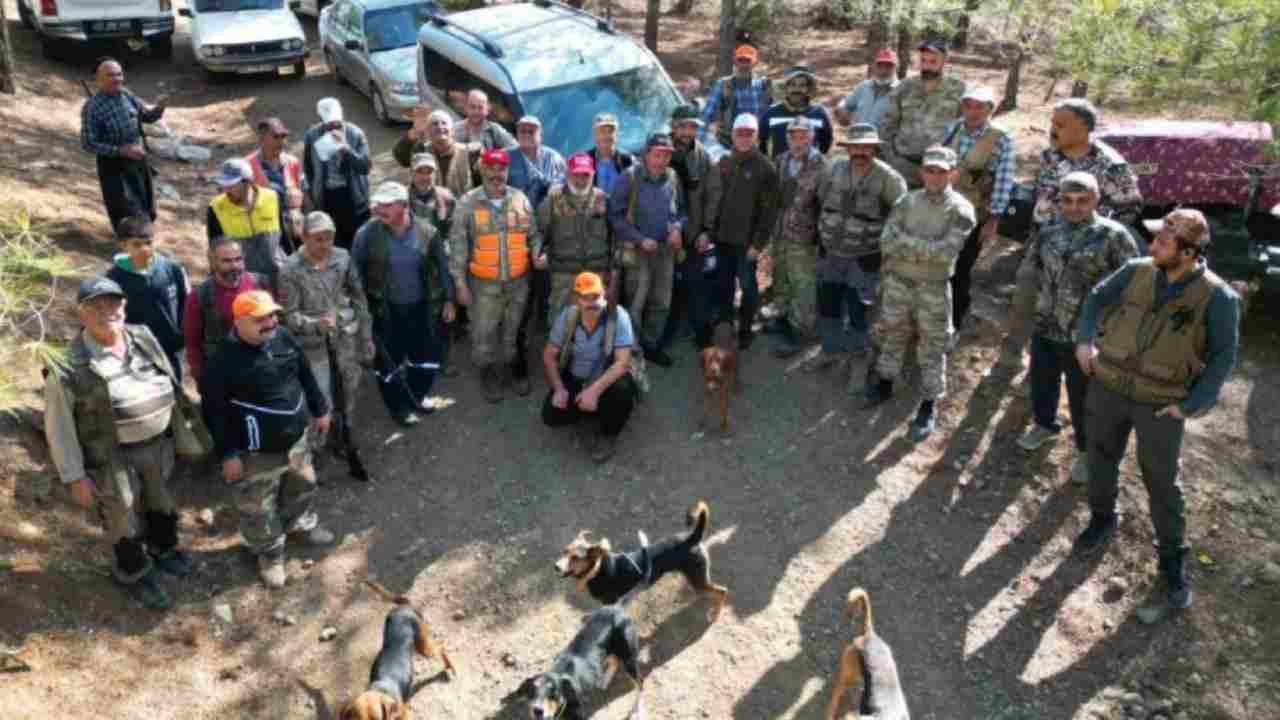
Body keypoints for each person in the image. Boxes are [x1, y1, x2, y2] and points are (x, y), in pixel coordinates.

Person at [1074, 209, 1240, 622]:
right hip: (1109, 384)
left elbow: (1222, 359)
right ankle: (1101, 518)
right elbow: (1096, 298)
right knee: (1099, 458)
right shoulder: (1136, 270)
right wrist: (1084, 342)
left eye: (1163, 243)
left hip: (1161, 403)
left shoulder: (1218, 297)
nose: (1153, 248)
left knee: (1162, 483)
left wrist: (1190, 405)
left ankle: (1171, 563)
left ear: (1187, 252)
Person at [44, 277, 201, 609]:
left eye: (113, 304)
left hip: (159, 444)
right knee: (121, 516)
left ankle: (164, 550)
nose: (108, 312)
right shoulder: (69, 363)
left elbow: (169, 376)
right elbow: (59, 425)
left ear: (124, 306)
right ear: (80, 313)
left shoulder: (142, 336)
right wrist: (74, 475)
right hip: (110, 458)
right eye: (96, 307)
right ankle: (134, 572)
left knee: (162, 502)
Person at [202, 290, 335, 589]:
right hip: (254, 453)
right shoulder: (222, 360)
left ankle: (298, 526)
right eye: (261, 319)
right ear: (240, 322)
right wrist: (228, 454)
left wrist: (320, 408)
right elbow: (214, 412)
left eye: (273, 315)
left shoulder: (284, 338)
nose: (271, 322)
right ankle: (270, 554)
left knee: (303, 484)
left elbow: (304, 373)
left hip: (296, 441)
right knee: (258, 508)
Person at [1014, 173, 1138, 483]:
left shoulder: (1114, 236)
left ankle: (1086, 452)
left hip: (1085, 336)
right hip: (1046, 325)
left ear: (1096, 200)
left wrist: (1111, 332)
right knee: (1042, 382)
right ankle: (1045, 425)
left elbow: (1132, 287)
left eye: (1083, 201)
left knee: (1085, 398)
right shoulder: (1049, 232)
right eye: (1068, 201)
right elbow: (1034, 273)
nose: (1074, 207)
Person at [864, 146, 976, 441]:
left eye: (942, 171)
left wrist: (908, 243)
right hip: (898, 282)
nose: (935, 176)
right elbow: (887, 241)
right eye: (930, 170)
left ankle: (928, 404)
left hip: (933, 288)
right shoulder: (906, 201)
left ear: (953, 173)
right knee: (893, 334)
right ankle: (885, 383)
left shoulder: (961, 210)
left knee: (933, 345)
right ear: (921, 172)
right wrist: (923, 246)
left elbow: (945, 253)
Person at [278, 211, 374, 481]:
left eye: (329, 238)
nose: (325, 245)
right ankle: (316, 452)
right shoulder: (290, 270)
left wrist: (366, 336)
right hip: (312, 346)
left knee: (349, 389)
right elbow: (288, 315)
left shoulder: (342, 257)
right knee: (321, 399)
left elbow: (358, 297)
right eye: (318, 239)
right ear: (304, 237)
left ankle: (343, 439)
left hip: (345, 339)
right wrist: (315, 324)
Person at [354, 182, 456, 425]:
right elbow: (354, 275)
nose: (380, 210)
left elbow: (442, 268)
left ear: (404, 206)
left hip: (422, 308)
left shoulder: (428, 232)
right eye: (378, 205)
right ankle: (398, 407)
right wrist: (361, 311)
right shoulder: (366, 234)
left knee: (423, 357)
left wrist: (449, 300)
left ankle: (418, 396)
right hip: (385, 311)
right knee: (389, 363)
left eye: (387, 205)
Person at [813, 124, 908, 374]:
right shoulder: (833, 169)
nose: (861, 152)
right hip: (831, 252)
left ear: (874, 148)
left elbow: (901, 217)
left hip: (865, 257)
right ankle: (830, 351)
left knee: (859, 309)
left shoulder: (889, 178)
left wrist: (887, 252)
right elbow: (822, 200)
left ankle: (858, 358)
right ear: (848, 148)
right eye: (856, 146)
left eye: (866, 147)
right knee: (828, 304)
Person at [451, 150, 544, 402]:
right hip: (483, 286)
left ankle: (511, 366)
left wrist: (537, 253)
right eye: (490, 168)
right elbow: (458, 247)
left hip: (518, 282)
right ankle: (487, 371)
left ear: (507, 171)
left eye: (500, 169)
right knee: (483, 333)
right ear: (481, 169)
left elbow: (533, 235)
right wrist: (459, 284)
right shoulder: (467, 203)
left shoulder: (520, 198)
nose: (496, 174)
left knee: (512, 330)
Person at [940, 85, 1017, 332]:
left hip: (973, 216)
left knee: (961, 270)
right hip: (941, 209)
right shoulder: (952, 129)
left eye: (979, 106)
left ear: (990, 110)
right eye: (968, 105)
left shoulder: (1000, 139)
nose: (972, 111)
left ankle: (955, 324)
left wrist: (993, 220)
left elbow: (1004, 182)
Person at [542, 272, 639, 464]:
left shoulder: (618, 316)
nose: (591, 302)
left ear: (605, 295)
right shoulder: (568, 316)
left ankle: (609, 434)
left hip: (606, 380)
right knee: (551, 416)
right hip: (575, 377)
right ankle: (588, 412)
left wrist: (594, 391)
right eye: (585, 297)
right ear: (576, 299)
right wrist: (559, 388)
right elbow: (548, 354)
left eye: (596, 296)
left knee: (623, 390)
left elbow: (623, 362)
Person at [609, 132, 684, 369]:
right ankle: (632, 350)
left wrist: (678, 228)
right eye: (658, 154)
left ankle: (651, 345)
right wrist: (639, 239)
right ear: (646, 154)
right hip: (638, 251)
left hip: (665, 251)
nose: (662, 160)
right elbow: (614, 216)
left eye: (666, 155)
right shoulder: (629, 177)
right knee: (636, 303)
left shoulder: (672, 177)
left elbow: (681, 211)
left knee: (661, 301)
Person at [705, 113, 779, 349]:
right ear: (733, 135)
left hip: (746, 243)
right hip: (723, 239)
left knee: (748, 287)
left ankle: (746, 329)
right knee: (723, 284)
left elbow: (769, 213)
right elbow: (715, 200)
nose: (745, 138)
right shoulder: (724, 162)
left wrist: (757, 245)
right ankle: (725, 325)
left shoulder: (766, 168)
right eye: (740, 133)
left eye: (750, 133)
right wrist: (710, 231)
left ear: (757, 136)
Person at [507, 114, 567, 388]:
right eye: (522, 129)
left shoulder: (554, 158)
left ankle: (551, 352)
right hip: (515, 239)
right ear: (516, 132)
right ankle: (517, 364)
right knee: (521, 299)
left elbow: (563, 193)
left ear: (541, 133)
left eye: (532, 129)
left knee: (549, 293)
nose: (527, 133)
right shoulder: (507, 158)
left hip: (548, 237)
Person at [80, 58, 164, 235]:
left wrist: (159, 108)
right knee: (125, 210)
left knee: (145, 203)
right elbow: (88, 143)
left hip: (137, 160)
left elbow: (147, 117)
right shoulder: (92, 107)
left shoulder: (126, 95)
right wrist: (121, 150)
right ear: (99, 79)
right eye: (110, 75)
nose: (117, 78)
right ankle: (130, 245)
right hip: (113, 167)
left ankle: (145, 241)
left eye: (119, 74)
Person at [768, 117, 828, 358]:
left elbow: (826, 204)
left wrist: (822, 238)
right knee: (781, 277)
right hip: (780, 232)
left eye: (804, 135)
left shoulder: (821, 165)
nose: (798, 140)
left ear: (812, 137)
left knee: (803, 284)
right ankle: (782, 318)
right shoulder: (781, 161)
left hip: (805, 236)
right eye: (794, 135)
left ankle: (801, 333)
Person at [662, 104, 718, 351]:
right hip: (662, 235)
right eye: (683, 125)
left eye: (692, 126)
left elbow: (713, 195)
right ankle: (664, 333)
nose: (687, 131)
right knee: (664, 285)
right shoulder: (658, 152)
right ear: (673, 126)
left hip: (693, 234)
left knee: (696, 283)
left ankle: (701, 333)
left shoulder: (703, 156)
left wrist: (707, 230)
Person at [106, 216, 189, 381]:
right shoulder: (113, 279)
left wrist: (183, 336)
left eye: (149, 243)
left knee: (174, 390)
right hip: (137, 351)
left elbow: (186, 303)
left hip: (170, 347)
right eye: (136, 244)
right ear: (123, 245)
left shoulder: (172, 269)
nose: (144, 249)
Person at [879, 39, 967, 188]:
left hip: (940, 169)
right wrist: (891, 158)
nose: (926, 66)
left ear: (945, 61)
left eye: (933, 61)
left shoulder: (959, 89)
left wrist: (956, 163)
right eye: (923, 60)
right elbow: (888, 125)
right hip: (903, 165)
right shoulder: (905, 87)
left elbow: (965, 127)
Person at [183, 237, 269, 385]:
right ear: (213, 262)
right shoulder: (200, 296)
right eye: (227, 261)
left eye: (238, 259)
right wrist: (201, 377)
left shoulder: (260, 283)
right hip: (222, 373)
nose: (234, 266)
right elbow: (192, 342)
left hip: (261, 366)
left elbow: (277, 324)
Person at [540, 152, 612, 326]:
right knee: (560, 321)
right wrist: (539, 253)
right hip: (564, 274)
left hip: (596, 273)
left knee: (595, 321)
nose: (580, 179)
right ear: (567, 174)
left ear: (593, 174)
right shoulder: (553, 200)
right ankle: (559, 352)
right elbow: (539, 232)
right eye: (575, 174)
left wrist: (613, 269)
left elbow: (615, 236)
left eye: (585, 175)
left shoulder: (604, 199)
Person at [409, 152, 459, 377]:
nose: (424, 176)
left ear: (435, 174)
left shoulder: (447, 199)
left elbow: (455, 231)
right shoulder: (400, 198)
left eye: (429, 171)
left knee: (443, 315)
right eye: (420, 171)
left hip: (439, 265)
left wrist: (447, 248)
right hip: (409, 265)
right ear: (412, 172)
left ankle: (445, 358)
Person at [206, 158, 287, 290]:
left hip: (277, 277)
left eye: (232, 185)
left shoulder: (272, 198)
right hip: (240, 283)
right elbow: (214, 252)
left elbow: (284, 240)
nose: (226, 190)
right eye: (223, 185)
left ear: (248, 182)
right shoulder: (216, 207)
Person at [302, 97, 371, 250]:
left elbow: (365, 166)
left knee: (359, 244)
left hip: (353, 197)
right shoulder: (312, 136)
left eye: (337, 122)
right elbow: (308, 169)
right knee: (334, 245)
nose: (334, 127)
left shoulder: (355, 134)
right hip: (327, 198)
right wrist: (311, 197)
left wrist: (346, 147)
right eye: (329, 124)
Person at [246, 117, 306, 254]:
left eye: (284, 136)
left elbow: (299, 194)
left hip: (293, 229)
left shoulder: (292, 162)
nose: (281, 141)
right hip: (265, 232)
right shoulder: (248, 165)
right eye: (276, 137)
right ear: (262, 138)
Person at [700, 44, 773, 149]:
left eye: (747, 60)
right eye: (740, 60)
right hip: (727, 145)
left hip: (758, 146)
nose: (743, 64)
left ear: (755, 62)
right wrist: (697, 145)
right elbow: (706, 116)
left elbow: (772, 116)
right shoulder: (723, 84)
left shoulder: (764, 86)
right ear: (735, 61)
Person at [394, 107, 474, 198]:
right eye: (435, 124)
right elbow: (401, 157)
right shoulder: (422, 151)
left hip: (462, 209)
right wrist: (415, 132)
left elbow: (479, 191)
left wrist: (481, 213)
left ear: (452, 131)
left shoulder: (468, 153)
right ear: (428, 132)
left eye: (444, 123)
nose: (440, 127)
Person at [759, 65, 835, 159]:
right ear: (785, 87)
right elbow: (761, 144)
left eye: (802, 85)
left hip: (811, 171)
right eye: (792, 84)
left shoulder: (819, 113)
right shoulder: (771, 112)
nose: (796, 89)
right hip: (780, 171)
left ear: (808, 88)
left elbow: (826, 144)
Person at [834, 48, 899, 129]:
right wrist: (841, 110)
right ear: (875, 66)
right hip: (858, 139)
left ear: (895, 67)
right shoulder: (864, 86)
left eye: (888, 66)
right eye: (880, 65)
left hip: (885, 141)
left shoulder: (901, 91)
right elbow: (846, 104)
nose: (883, 70)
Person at [586, 113, 635, 195]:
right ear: (594, 135)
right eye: (602, 131)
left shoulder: (628, 161)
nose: (606, 136)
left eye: (610, 131)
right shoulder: (584, 160)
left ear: (617, 135)